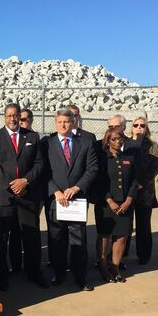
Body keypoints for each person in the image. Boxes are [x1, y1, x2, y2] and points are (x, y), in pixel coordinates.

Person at [0, 104, 48, 291]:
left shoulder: (32, 136)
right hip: (4, 196)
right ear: (4, 117)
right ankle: (2, 275)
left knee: (31, 237)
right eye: (9, 115)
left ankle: (34, 272)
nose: (12, 119)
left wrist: (25, 181)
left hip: (27, 195)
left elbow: (39, 164)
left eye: (16, 116)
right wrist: (12, 185)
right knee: (1, 239)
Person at [42, 108, 98, 292]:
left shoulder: (85, 143)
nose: (63, 125)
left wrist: (76, 187)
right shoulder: (47, 143)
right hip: (56, 201)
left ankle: (80, 277)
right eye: (60, 122)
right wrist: (55, 191)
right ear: (55, 123)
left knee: (78, 241)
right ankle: (58, 274)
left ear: (73, 122)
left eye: (66, 121)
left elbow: (92, 170)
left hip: (77, 201)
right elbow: (42, 171)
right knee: (57, 240)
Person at [94, 128, 139, 282]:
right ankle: (103, 265)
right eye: (114, 139)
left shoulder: (129, 157)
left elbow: (135, 180)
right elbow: (99, 181)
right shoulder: (102, 158)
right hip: (106, 204)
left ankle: (115, 266)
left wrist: (129, 200)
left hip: (125, 203)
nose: (118, 141)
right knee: (105, 235)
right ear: (108, 141)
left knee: (122, 236)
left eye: (120, 139)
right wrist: (109, 200)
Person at [128, 115, 158, 265]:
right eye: (136, 125)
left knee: (143, 225)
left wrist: (141, 183)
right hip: (127, 192)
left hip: (144, 192)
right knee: (126, 225)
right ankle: (122, 253)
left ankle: (144, 255)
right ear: (131, 127)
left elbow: (155, 167)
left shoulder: (152, 145)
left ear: (146, 128)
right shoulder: (125, 143)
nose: (139, 127)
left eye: (142, 125)